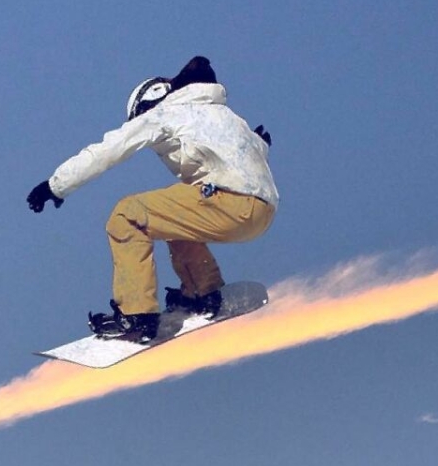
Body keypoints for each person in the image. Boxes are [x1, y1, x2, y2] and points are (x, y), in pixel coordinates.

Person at [27, 56, 279, 343]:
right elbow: (250, 150)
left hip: (229, 201)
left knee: (127, 215)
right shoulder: (220, 112)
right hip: (263, 210)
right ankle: (201, 293)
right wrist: (261, 146)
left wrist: (55, 186)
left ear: (149, 103)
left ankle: (137, 316)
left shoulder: (163, 114)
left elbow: (109, 149)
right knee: (170, 214)